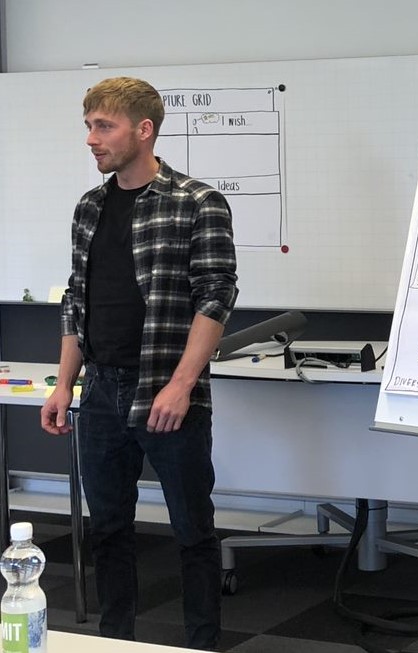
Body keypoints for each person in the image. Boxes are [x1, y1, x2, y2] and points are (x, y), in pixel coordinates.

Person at [40, 77, 238, 650]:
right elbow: (77, 300)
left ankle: (202, 642)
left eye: (104, 126)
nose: (91, 139)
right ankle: (115, 640)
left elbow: (216, 295)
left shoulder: (197, 202)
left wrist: (181, 385)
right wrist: (64, 385)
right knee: (109, 530)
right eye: (89, 126)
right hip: (101, 392)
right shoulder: (90, 207)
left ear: (144, 129)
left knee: (192, 530)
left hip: (167, 390)